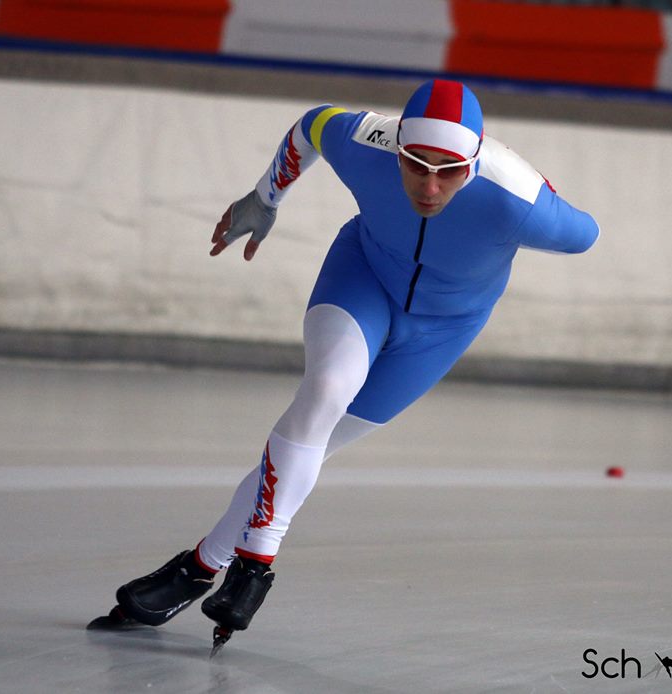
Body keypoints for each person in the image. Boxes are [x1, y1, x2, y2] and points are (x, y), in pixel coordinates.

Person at [90, 79, 600, 649]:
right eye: (415, 165)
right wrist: (265, 197)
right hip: (361, 280)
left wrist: (530, 180)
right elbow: (312, 123)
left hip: (440, 331)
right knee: (326, 389)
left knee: (307, 448)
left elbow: (587, 233)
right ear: (397, 147)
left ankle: (197, 568)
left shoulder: (519, 202)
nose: (429, 187)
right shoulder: (364, 141)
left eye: (450, 171)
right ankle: (255, 567)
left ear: (475, 164)